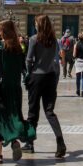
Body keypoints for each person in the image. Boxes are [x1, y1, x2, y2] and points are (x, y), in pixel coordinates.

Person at [0, 20, 35, 164]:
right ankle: (14, 141)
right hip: (15, 88)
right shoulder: (18, 48)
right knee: (13, 115)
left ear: (3, 31)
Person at [22, 15, 65, 158]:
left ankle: (30, 143)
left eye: (35, 23)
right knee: (49, 111)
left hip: (37, 76)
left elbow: (28, 59)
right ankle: (60, 142)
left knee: (33, 111)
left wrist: (28, 72)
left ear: (39, 25)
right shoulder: (54, 40)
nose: (34, 26)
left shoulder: (34, 39)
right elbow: (54, 58)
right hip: (50, 76)